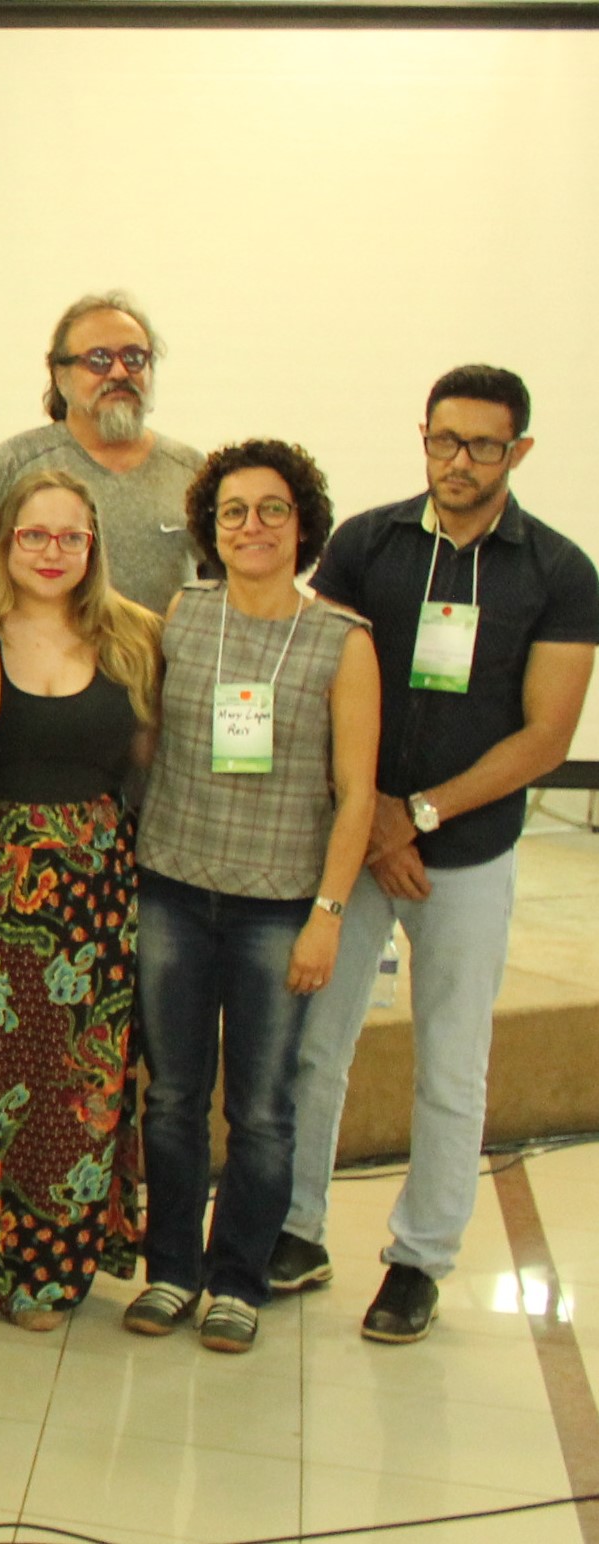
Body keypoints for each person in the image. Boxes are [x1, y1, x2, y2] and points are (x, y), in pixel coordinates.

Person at [278, 367, 597, 1342]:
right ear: (422, 435)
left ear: (518, 451)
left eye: (481, 445)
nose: (457, 462)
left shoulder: (558, 571)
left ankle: (418, 1258)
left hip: (467, 853)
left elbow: (546, 736)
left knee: (451, 1063)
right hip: (356, 839)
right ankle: (294, 1228)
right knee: (313, 1045)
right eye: (442, 440)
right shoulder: (364, 544)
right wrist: (373, 818)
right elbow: (318, 681)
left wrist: (413, 816)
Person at [126, 439, 376, 1355]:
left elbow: (356, 795)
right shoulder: (182, 617)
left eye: (272, 509)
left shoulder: (342, 642)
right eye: (232, 511)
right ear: (209, 526)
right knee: (171, 1098)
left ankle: (237, 1278)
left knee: (262, 1111)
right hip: (173, 892)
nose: (251, 526)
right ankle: (170, 1270)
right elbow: (150, 743)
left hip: (277, 909)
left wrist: (327, 916)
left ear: (302, 524)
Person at [0, 470, 157, 1330]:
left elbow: (150, 764)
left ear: (93, 545)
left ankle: (46, 1270)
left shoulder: (133, 637)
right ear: (3, 540)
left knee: (69, 1086)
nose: (52, 552)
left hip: (91, 896)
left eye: (70, 536)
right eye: (33, 535)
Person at [0, 292, 203, 613]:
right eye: (98, 360)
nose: (119, 373)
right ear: (61, 377)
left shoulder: (190, 470)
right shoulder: (17, 462)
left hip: (165, 647)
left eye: (133, 358)